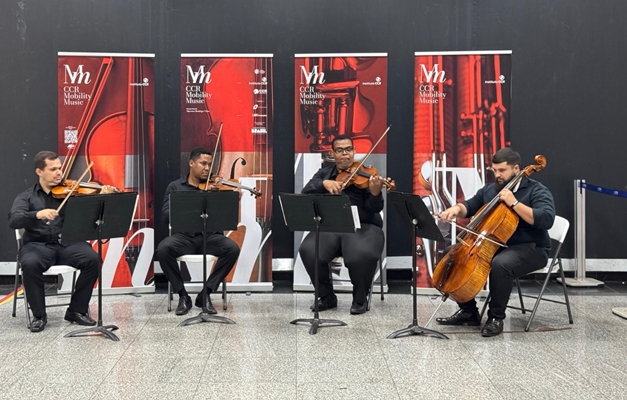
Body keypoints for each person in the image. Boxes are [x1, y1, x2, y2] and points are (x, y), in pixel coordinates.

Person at [436, 148, 555, 337]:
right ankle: (469, 312)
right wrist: (453, 210)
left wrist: (514, 203)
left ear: (516, 168)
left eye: (502, 170)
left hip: (531, 247)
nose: (497, 175)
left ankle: (496, 317)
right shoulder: (491, 190)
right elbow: (468, 205)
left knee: (500, 265)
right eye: (494, 170)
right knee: (452, 252)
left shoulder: (536, 190)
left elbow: (546, 219)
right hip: (498, 245)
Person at [8, 151, 117, 332]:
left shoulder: (71, 192)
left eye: (59, 168)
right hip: (37, 245)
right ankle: (39, 315)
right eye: (53, 169)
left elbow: (94, 214)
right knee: (29, 263)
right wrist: (37, 214)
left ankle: (76, 310)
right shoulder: (26, 197)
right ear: (39, 171)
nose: (59, 172)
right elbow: (14, 220)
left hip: (67, 243)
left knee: (93, 259)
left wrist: (104, 196)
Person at [298, 135, 385, 315]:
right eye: (340, 150)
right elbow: (306, 190)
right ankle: (326, 296)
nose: (345, 154)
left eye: (349, 149)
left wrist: (375, 193)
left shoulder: (367, 175)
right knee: (309, 250)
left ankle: (360, 298)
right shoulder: (325, 173)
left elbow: (374, 208)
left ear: (353, 151)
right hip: (331, 226)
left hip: (363, 226)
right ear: (332, 154)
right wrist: (324, 183)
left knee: (361, 255)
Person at [156, 147, 240, 315]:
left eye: (209, 164)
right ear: (191, 163)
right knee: (163, 249)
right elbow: (165, 216)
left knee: (232, 249)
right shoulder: (175, 187)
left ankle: (206, 293)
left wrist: (231, 199)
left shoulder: (215, 188)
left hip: (210, 237)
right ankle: (183, 296)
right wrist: (190, 203)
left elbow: (227, 215)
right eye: (203, 164)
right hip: (184, 237)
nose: (207, 168)